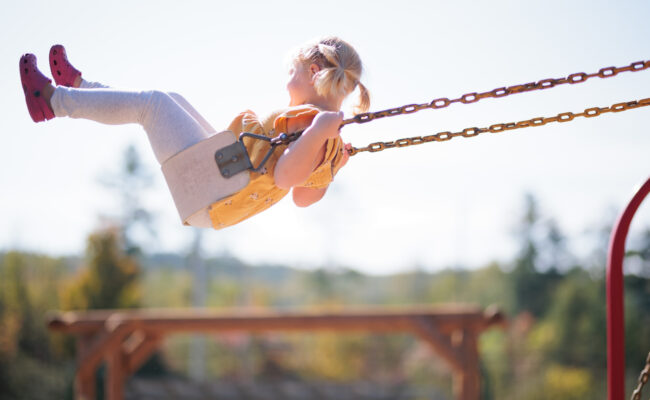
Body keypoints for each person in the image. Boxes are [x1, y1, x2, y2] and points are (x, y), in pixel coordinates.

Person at [19, 37, 370, 229]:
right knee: (171, 100)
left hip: (214, 193)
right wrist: (327, 159)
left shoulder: (318, 129)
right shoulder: (323, 134)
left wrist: (322, 144)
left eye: (292, 72)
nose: (287, 80)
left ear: (311, 72)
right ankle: (81, 89)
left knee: (153, 105)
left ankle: (52, 101)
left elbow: (285, 179)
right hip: (220, 174)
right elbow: (304, 197)